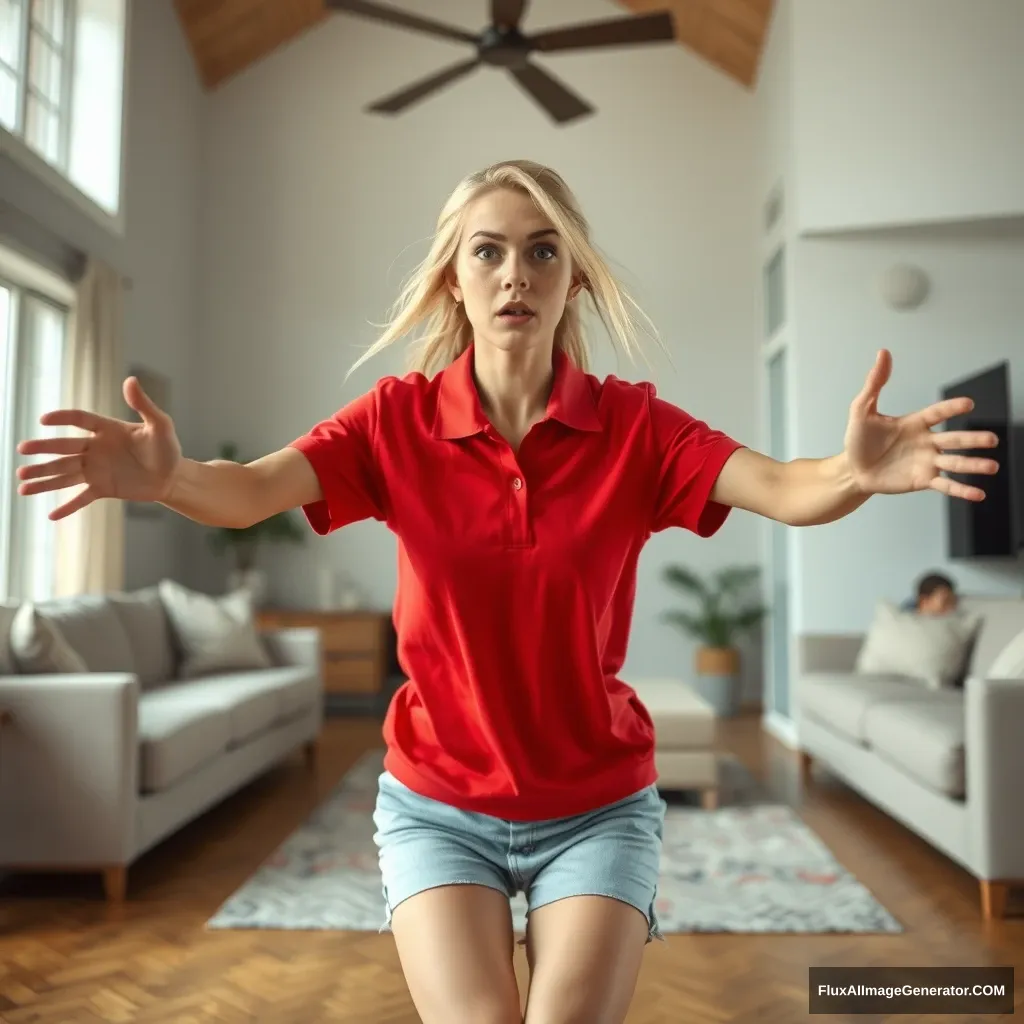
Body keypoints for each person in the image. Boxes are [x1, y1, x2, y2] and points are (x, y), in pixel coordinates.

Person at [14, 159, 999, 1024]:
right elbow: (252, 490)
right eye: (487, 252)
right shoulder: (395, 423)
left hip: (599, 801)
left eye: (541, 252)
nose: (514, 274)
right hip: (437, 799)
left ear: (572, 279)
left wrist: (852, 472)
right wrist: (171, 480)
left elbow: (784, 487)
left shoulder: (635, 428)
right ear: (455, 274)